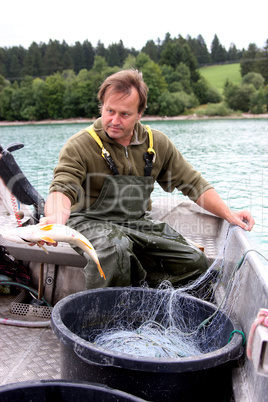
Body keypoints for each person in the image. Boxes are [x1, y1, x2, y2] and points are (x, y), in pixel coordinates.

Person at [40, 69, 255, 289]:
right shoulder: (80, 144)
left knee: (194, 262)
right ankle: (108, 315)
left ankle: (146, 297)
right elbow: (62, 187)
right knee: (115, 249)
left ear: (139, 113)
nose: (114, 120)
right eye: (109, 111)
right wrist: (55, 221)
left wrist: (229, 214)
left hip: (137, 222)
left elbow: (193, 183)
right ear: (101, 107)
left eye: (124, 114)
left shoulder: (157, 143)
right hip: (87, 221)